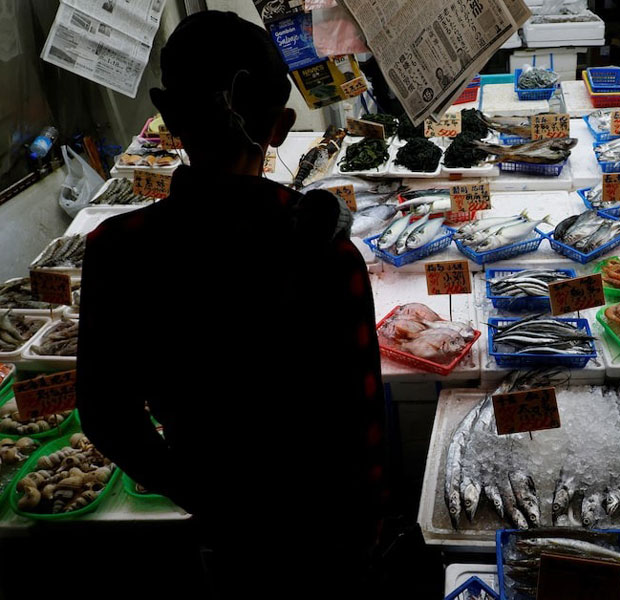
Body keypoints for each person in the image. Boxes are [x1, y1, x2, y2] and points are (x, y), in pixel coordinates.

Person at [76, 11, 387, 597]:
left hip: (221, 531)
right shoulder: (325, 250)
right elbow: (362, 422)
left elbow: (105, 414)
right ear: (281, 126)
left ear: (166, 115)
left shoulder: (117, 252)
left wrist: (204, 494)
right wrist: (365, 536)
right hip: (327, 538)